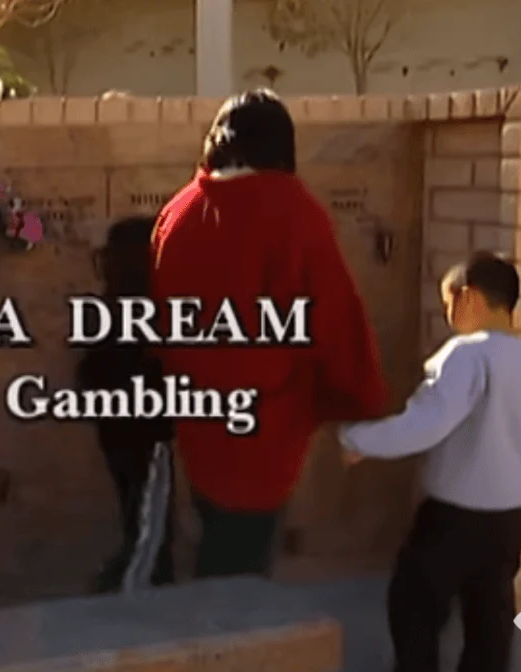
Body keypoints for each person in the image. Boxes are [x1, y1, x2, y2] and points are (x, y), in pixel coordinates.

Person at [148, 88, 388, 578]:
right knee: (244, 572)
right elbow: (335, 318)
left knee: (215, 546)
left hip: (197, 421)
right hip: (267, 432)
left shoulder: (177, 212)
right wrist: (359, 404)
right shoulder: (296, 214)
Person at [338, 252, 521, 672]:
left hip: (453, 520)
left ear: (469, 296)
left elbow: (426, 423)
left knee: (413, 609)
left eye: (448, 301)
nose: (446, 312)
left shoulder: (467, 355)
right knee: (489, 626)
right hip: (508, 520)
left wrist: (357, 438)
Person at [77, 216, 176, 591]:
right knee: (148, 529)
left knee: (146, 526)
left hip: (132, 436)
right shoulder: (135, 307)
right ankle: (136, 597)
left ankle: (134, 593)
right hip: (137, 438)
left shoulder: (126, 306)